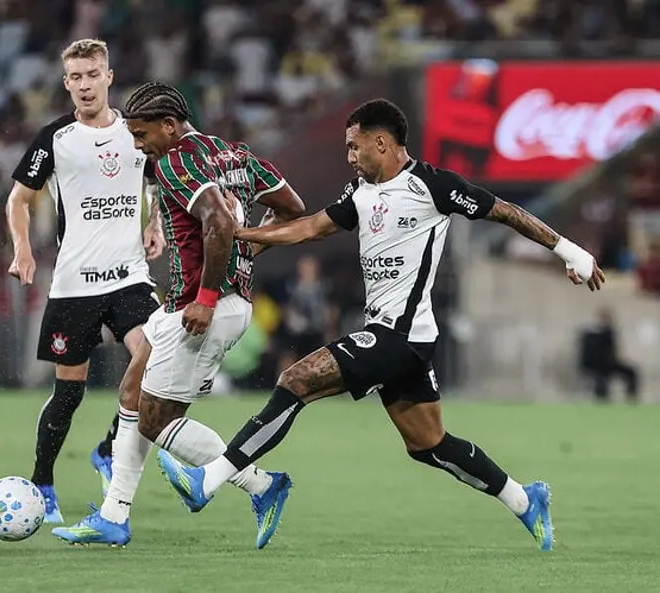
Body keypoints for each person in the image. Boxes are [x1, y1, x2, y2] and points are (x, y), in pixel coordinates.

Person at [158, 99, 606, 553]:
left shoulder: (434, 186)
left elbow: (505, 211)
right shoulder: (360, 192)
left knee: (296, 380)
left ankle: (209, 482)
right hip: (403, 339)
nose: (349, 156)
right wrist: (242, 237)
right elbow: (311, 227)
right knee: (429, 444)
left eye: (355, 147)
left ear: (382, 142)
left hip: (401, 335)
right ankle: (524, 498)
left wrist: (572, 253)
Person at [52, 81, 305, 548]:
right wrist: (249, 248)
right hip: (197, 305)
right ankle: (113, 516)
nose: (138, 144)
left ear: (170, 126)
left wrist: (208, 294)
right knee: (132, 389)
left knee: (154, 420)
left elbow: (218, 221)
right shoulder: (233, 154)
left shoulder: (176, 159)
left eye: (143, 134)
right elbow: (292, 208)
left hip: (202, 306)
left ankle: (264, 486)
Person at [5, 39, 166, 524]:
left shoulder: (136, 133)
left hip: (129, 279)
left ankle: (110, 446)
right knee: (69, 393)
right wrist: (22, 248)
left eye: (92, 74)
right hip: (74, 284)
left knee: (155, 360)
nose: (84, 85)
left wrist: (152, 223)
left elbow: (153, 181)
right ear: (65, 83)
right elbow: (17, 200)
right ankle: (43, 482)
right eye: (75, 77)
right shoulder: (54, 138)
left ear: (109, 77)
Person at [579, 308, 638, 402]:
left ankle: (631, 399)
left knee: (631, 372)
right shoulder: (589, 335)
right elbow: (587, 355)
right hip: (594, 366)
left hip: (609, 364)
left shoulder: (609, 332)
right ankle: (602, 403)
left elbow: (612, 351)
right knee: (601, 382)